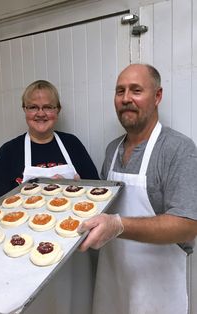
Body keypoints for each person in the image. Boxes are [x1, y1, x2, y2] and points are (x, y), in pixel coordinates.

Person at [78, 64, 197, 314]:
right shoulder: (112, 150)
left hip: (156, 294)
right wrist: (69, 191)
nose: (125, 99)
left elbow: (188, 225)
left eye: (136, 90)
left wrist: (120, 225)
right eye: (120, 91)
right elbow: (103, 206)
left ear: (157, 96)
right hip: (111, 286)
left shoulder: (178, 149)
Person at [0, 79, 99, 203]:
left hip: (72, 221)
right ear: (25, 109)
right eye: (33, 107)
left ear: (58, 110)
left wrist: (78, 188)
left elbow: (97, 191)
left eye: (48, 107)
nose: (40, 113)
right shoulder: (7, 153)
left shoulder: (72, 144)